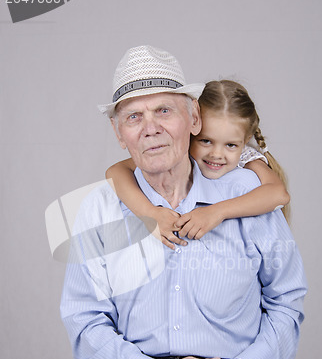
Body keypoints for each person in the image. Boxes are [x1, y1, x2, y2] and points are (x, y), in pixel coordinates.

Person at [26, 45, 307, 359]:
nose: (151, 128)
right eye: (133, 117)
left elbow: (287, 304)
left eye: (164, 110)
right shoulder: (99, 210)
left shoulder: (246, 197)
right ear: (119, 132)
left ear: (193, 119)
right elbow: (85, 322)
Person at [105, 79, 290, 250]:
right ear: (192, 127)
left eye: (231, 145)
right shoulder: (177, 150)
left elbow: (278, 194)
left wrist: (217, 212)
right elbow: (115, 171)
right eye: (206, 141)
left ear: (244, 141)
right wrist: (150, 214)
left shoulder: (247, 164)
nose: (217, 154)